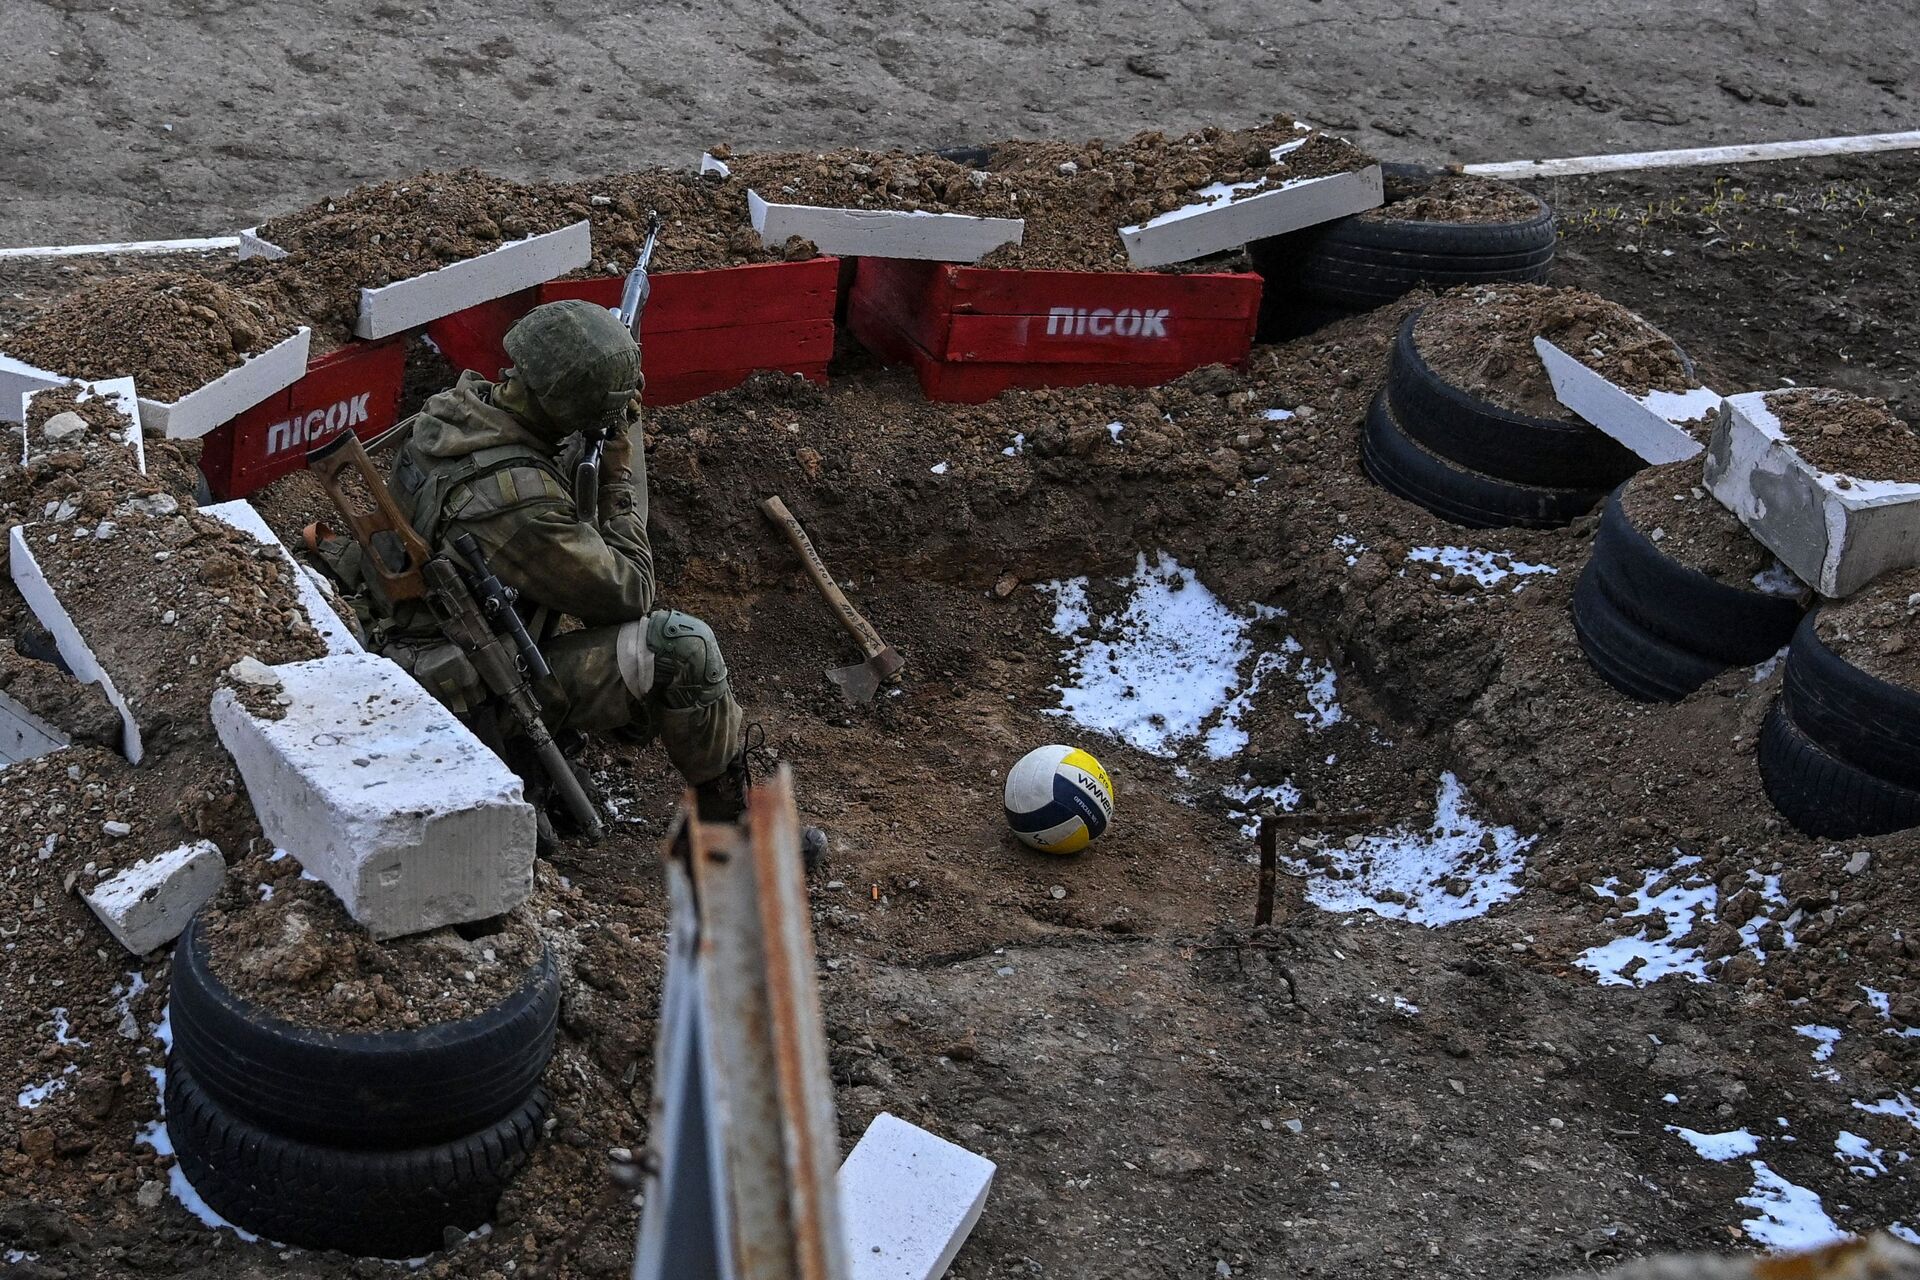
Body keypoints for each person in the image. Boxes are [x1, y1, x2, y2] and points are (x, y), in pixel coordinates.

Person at [363, 299, 758, 828]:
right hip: (473, 696)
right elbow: (631, 593)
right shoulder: (513, 501)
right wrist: (620, 467)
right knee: (682, 649)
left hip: (426, 647)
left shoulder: (457, 413)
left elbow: (544, 468)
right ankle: (731, 836)